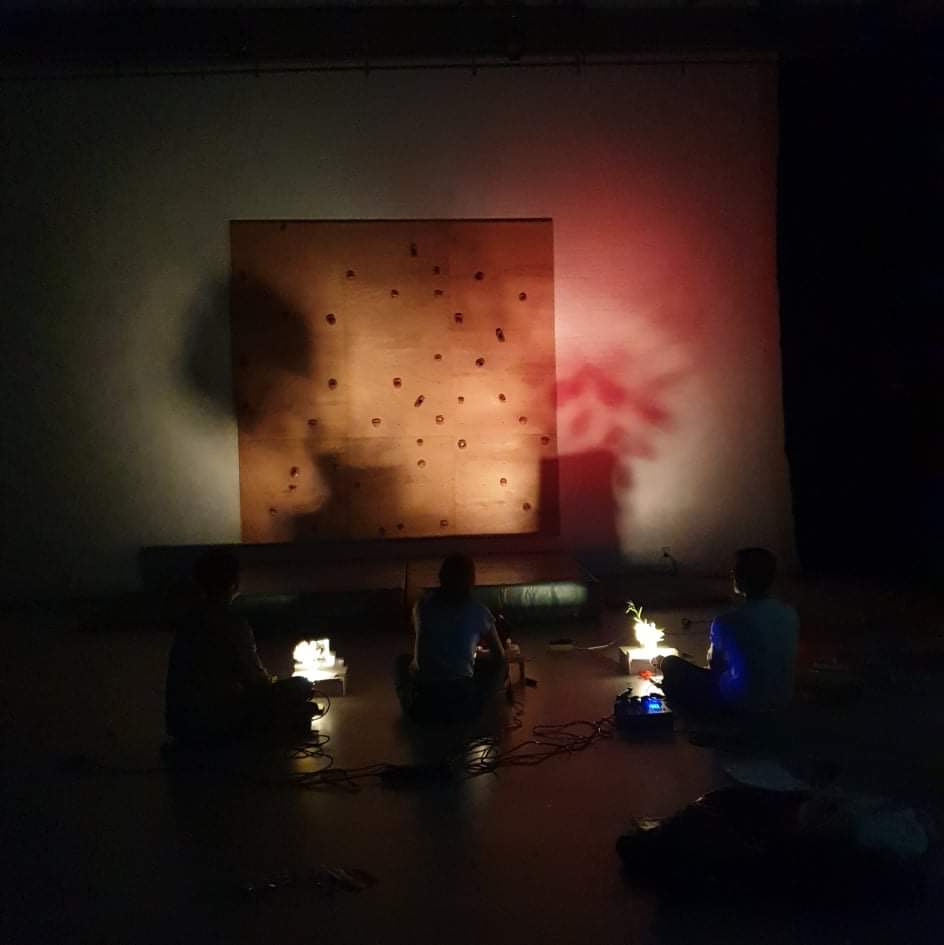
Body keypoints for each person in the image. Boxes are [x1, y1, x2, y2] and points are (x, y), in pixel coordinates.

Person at [165, 549, 317, 744]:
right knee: (301, 688)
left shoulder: (189, 621)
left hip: (180, 723)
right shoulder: (233, 624)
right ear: (234, 584)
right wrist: (282, 685)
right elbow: (255, 681)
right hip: (218, 721)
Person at [658, 547, 798, 716]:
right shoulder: (790, 614)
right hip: (782, 700)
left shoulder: (726, 621)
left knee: (671, 664)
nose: (731, 575)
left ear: (740, 577)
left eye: (734, 571)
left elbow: (715, 669)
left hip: (738, 704)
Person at [396, 554, 506, 721]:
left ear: (441, 577)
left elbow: (425, 646)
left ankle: (411, 704)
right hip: (463, 702)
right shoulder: (479, 611)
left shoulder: (421, 607)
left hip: (422, 705)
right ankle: (485, 705)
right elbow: (500, 656)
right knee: (497, 666)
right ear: (471, 581)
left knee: (401, 662)